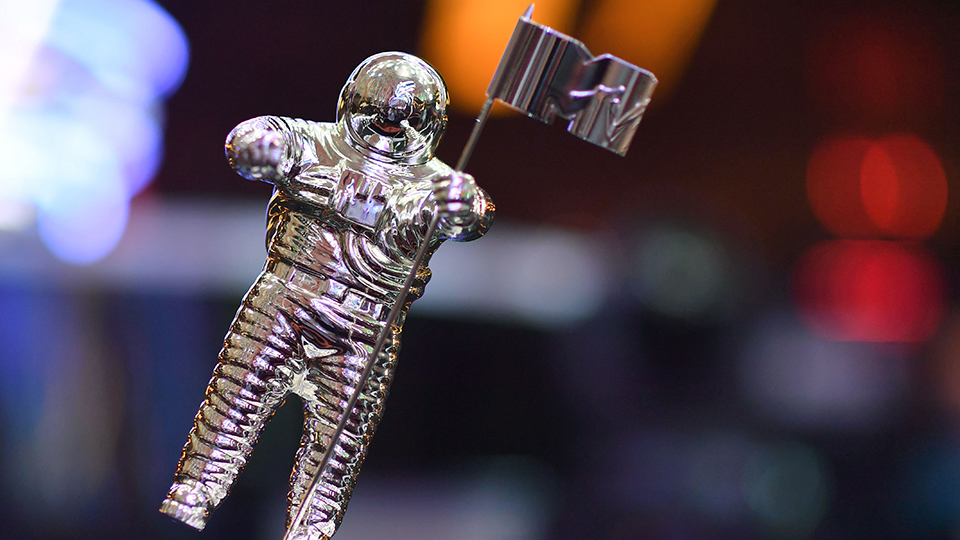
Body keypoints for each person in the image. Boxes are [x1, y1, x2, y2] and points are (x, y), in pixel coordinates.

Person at [160, 51, 494, 539]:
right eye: (381, 108)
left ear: (428, 123)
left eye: (405, 114)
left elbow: (474, 215)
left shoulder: (436, 183)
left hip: (367, 326)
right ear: (354, 103)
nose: (390, 121)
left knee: (337, 446)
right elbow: (251, 142)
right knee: (234, 401)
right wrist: (267, 151)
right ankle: (193, 495)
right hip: (287, 297)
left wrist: (458, 204)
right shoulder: (313, 143)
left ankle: (309, 531)